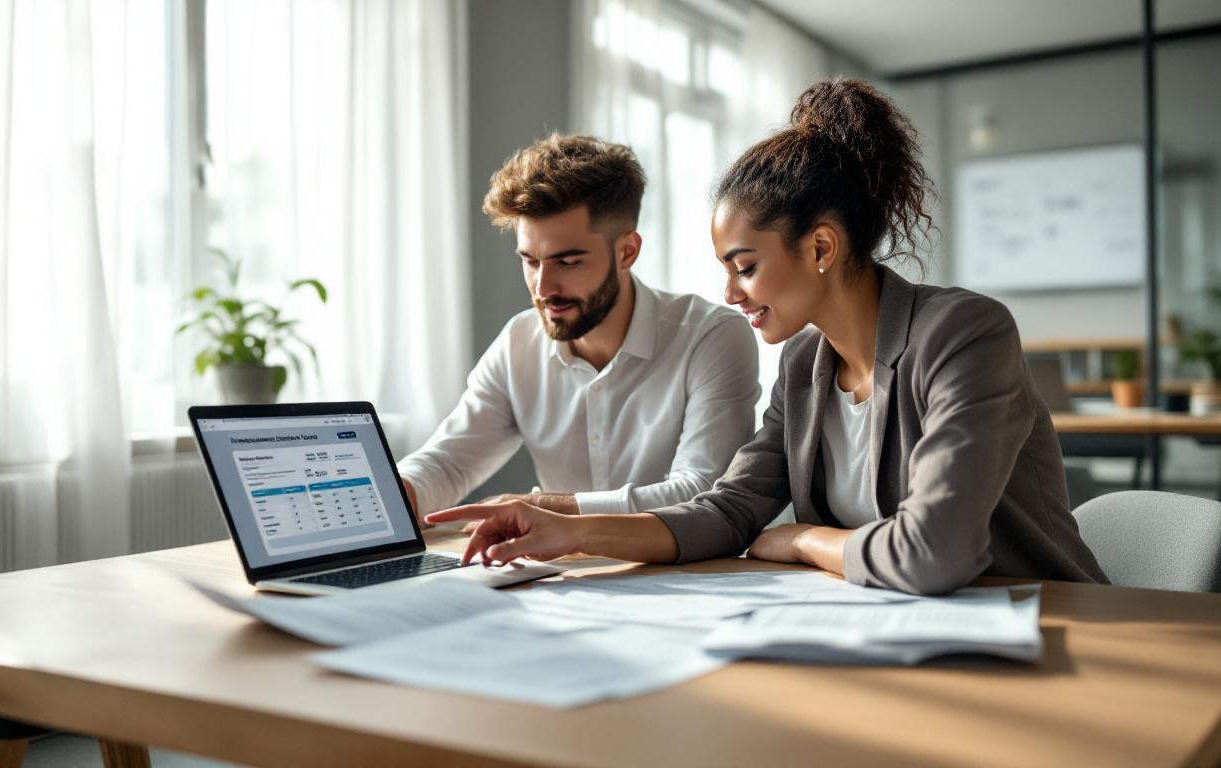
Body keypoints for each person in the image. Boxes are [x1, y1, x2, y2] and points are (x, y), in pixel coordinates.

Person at [427, 78, 1108, 595]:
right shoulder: (807, 362)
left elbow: (935, 553)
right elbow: (729, 509)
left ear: (820, 247)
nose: (730, 293)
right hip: (902, 633)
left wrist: (806, 540)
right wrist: (570, 532)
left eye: (745, 267)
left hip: (1049, 627)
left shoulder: (963, 333)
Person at [397, 133, 760, 522]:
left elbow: (701, 490)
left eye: (567, 262)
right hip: (560, 576)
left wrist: (549, 509)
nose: (543, 288)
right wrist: (386, 493)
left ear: (627, 251)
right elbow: (449, 462)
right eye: (530, 261)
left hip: (690, 576)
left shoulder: (710, 337)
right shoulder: (518, 344)